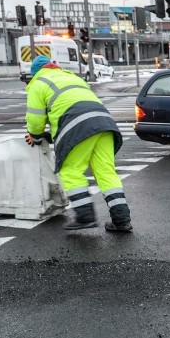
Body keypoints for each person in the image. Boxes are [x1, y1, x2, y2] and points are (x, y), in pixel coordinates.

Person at [24, 55, 133, 232]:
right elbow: (70, 109)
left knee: (70, 170)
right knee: (106, 171)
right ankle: (122, 219)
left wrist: (35, 137)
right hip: (104, 123)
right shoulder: (72, 77)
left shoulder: (39, 83)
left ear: (35, 72)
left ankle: (85, 216)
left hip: (78, 125)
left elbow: (35, 119)